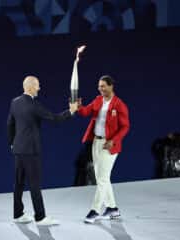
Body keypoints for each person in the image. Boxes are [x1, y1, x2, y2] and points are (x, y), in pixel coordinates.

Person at [7, 76, 78, 225]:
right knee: (34, 184)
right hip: (31, 151)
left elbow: (10, 124)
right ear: (31, 87)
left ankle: (17, 214)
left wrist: (12, 143)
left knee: (18, 183)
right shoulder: (33, 105)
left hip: (18, 149)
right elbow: (54, 118)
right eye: (38, 86)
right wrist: (70, 111)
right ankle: (40, 217)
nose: (39, 88)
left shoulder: (15, 102)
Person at [77, 75, 130, 224]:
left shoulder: (119, 105)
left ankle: (94, 210)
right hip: (96, 142)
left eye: (103, 86)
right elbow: (86, 112)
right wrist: (79, 107)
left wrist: (113, 140)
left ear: (111, 86)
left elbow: (125, 127)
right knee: (102, 178)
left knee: (102, 179)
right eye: (99, 86)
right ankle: (113, 209)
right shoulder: (98, 100)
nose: (100, 89)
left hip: (109, 145)